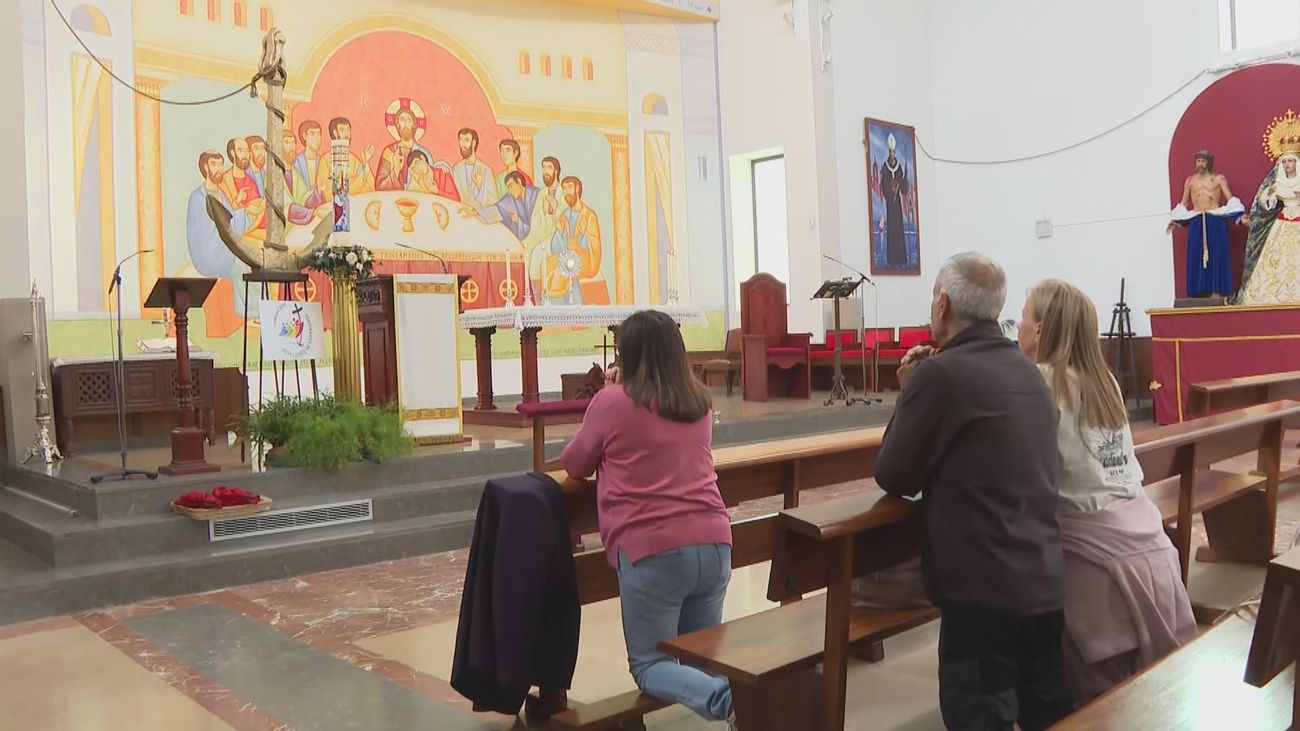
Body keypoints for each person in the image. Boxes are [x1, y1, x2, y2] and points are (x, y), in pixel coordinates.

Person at [874, 252, 1074, 731]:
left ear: (943, 305)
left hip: (983, 595)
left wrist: (911, 391)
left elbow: (894, 474)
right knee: (1049, 715)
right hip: (1043, 580)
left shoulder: (940, 376)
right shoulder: (1029, 373)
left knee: (981, 718)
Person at [1018, 279, 1196, 703]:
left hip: (1093, 558)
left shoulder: (1040, 382)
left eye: (1024, 316)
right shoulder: (1106, 381)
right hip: (1147, 543)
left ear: (1041, 330)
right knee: (1146, 695)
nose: (1019, 325)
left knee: (1103, 700)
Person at [560, 310, 734, 726]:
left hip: (653, 550)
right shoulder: (699, 403)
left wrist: (610, 394)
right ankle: (727, 693)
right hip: (714, 543)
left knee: (650, 665)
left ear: (627, 354)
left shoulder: (612, 402)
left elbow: (575, 462)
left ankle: (728, 700)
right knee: (700, 655)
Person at [1167, 150, 1246, 298]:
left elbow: (1230, 199)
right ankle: (1198, 291)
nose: (1200, 164)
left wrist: (1240, 216)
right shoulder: (1190, 181)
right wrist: (1175, 220)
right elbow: (1184, 203)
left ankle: (1218, 290)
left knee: (1217, 254)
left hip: (1215, 219)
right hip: (1197, 220)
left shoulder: (1218, 179)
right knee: (1197, 255)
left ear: (1209, 162)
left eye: (1203, 161)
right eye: (1198, 161)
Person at [1238, 151, 1300, 304]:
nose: (1287, 165)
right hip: (1283, 221)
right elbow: (1267, 203)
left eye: (1290, 161)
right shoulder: (1278, 183)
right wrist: (1270, 194)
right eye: (1284, 162)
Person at [546, 176, 611, 305]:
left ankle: (569, 308)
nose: (567, 192)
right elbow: (556, 248)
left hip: (585, 259)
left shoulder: (589, 216)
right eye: (564, 188)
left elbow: (594, 246)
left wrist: (581, 239)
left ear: (577, 189)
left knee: (561, 272)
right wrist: (560, 230)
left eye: (570, 187)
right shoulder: (564, 214)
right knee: (548, 266)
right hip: (569, 257)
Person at [879, 134, 912, 269]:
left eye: (893, 152)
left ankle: (901, 259)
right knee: (892, 230)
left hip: (897, 204)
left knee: (899, 229)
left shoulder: (898, 168)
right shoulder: (885, 168)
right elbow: (883, 185)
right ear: (888, 153)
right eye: (890, 152)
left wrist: (905, 175)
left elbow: (904, 189)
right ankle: (892, 259)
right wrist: (890, 190)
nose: (892, 155)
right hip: (890, 204)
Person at [326, 117, 376, 194]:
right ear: (335, 133)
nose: (347, 134)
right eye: (342, 130)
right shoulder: (325, 160)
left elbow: (364, 183)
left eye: (348, 130)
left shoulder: (354, 159)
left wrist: (364, 163)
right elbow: (323, 188)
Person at [452, 128, 498, 208]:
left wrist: (479, 186)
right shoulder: (457, 169)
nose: (462, 144)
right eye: (461, 140)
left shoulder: (486, 170)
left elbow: (494, 202)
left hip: (478, 218)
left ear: (473, 143)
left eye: (466, 140)